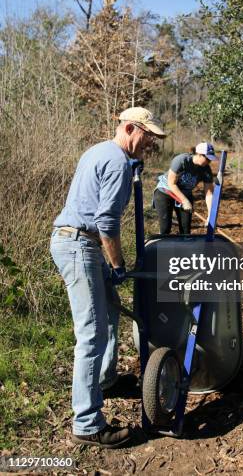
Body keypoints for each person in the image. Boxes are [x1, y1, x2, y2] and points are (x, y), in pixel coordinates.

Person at [50, 107, 165, 448]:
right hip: (80, 244)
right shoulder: (116, 161)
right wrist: (118, 265)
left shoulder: (100, 150)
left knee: (111, 308)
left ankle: (106, 379)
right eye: (148, 137)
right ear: (131, 128)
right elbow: (107, 223)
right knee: (92, 334)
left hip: (77, 242)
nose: (151, 144)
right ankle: (87, 423)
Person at [153, 142, 218, 235]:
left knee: (185, 230)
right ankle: (161, 246)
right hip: (166, 192)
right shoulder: (182, 160)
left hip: (185, 193)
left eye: (210, 160)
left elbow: (209, 194)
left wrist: (210, 215)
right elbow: (171, 183)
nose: (209, 162)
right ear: (199, 154)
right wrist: (184, 201)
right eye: (207, 159)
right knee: (165, 228)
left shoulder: (206, 170)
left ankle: (183, 248)